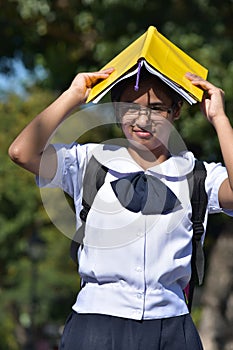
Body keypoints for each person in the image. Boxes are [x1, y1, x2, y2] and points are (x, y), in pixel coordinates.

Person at [8, 60, 233, 350]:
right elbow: (21, 153)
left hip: (172, 326)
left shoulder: (196, 175)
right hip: (95, 325)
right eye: (130, 106)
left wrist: (219, 118)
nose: (141, 119)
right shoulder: (88, 162)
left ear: (176, 111)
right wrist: (73, 96)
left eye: (156, 108)